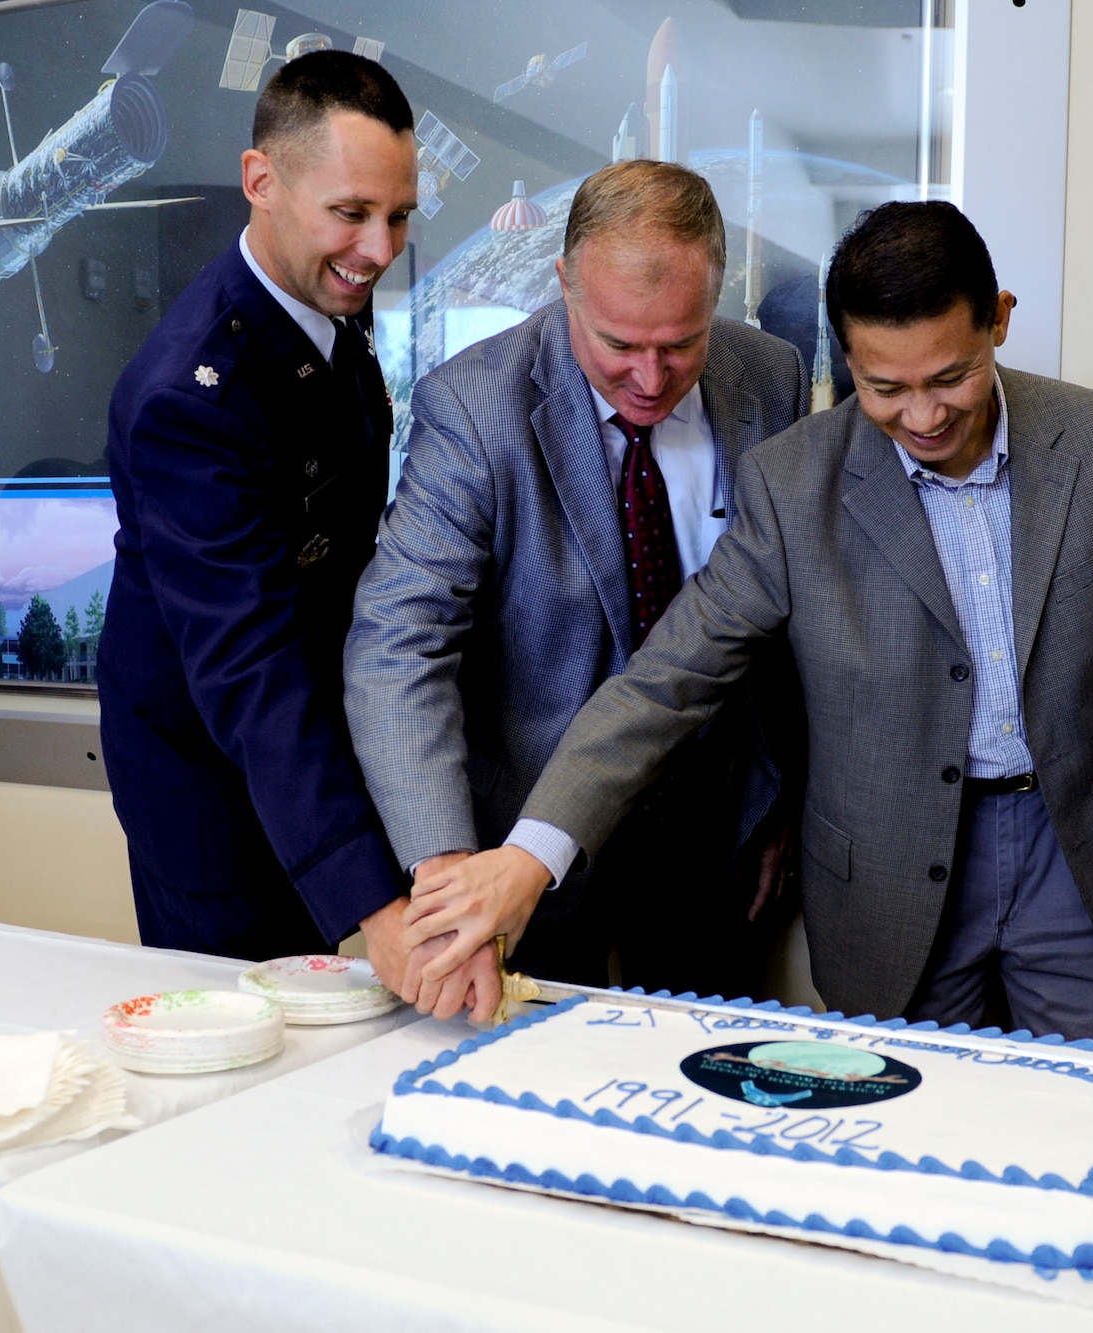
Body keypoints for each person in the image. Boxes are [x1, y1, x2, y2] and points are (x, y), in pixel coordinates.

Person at [395, 201, 1093, 1048]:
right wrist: (530, 856)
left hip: (1077, 855)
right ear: (846, 358)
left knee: (1086, 1114)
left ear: (999, 321)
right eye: (884, 388)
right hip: (894, 876)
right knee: (903, 1128)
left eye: (950, 378)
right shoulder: (793, 485)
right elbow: (665, 679)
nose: (925, 418)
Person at [344, 160, 808, 1002]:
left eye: (681, 344)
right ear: (564, 285)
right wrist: (451, 878)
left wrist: (779, 799)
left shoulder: (770, 378)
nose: (651, 378)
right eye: (619, 345)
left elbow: (777, 616)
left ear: (719, 288)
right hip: (522, 835)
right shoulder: (476, 407)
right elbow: (397, 645)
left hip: (712, 827)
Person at [98, 52, 495, 1019]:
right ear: (261, 181)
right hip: (219, 799)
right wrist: (373, 899)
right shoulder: (188, 400)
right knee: (246, 1081)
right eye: (350, 212)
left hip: (318, 770)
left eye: (399, 216)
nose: (378, 247)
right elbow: (251, 667)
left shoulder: (329, 319)